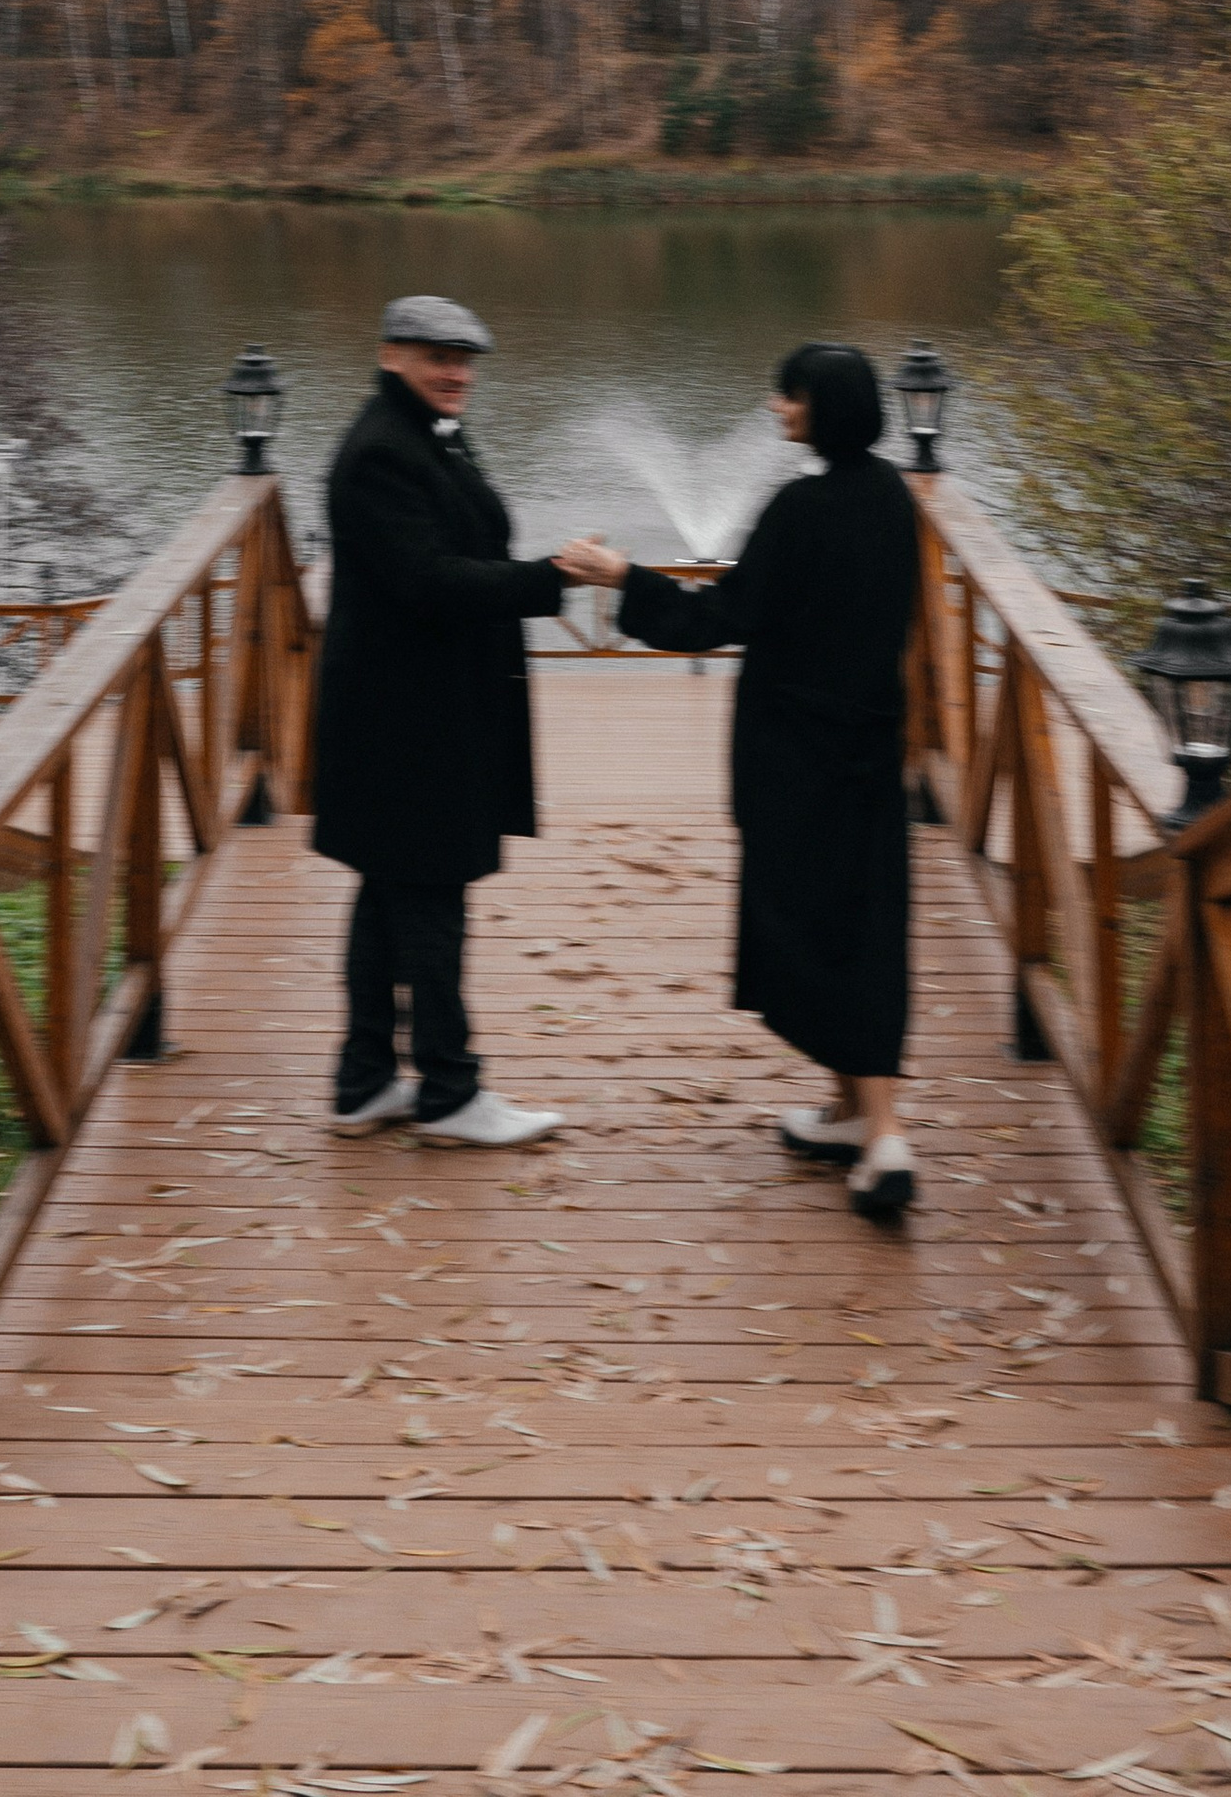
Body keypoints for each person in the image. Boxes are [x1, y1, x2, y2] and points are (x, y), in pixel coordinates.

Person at [560, 339, 921, 1218]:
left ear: (820, 406)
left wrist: (622, 577)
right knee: (855, 917)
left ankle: (886, 1137)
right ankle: (845, 1113)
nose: (775, 408)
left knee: (823, 930)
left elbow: (716, 617)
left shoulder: (802, 508)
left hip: (800, 758)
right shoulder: (896, 499)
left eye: (789, 395)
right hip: (870, 751)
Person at [314, 292, 584, 1146]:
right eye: (438, 356)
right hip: (407, 723)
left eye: (466, 359)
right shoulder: (380, 453)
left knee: (390, 894)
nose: (457, 372)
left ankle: (363, 1084)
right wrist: (550, 577)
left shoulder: (425, 431)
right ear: (392, 353)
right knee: (428, 897)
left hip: (413, 709)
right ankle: (449, 1092)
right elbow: (428, 581)